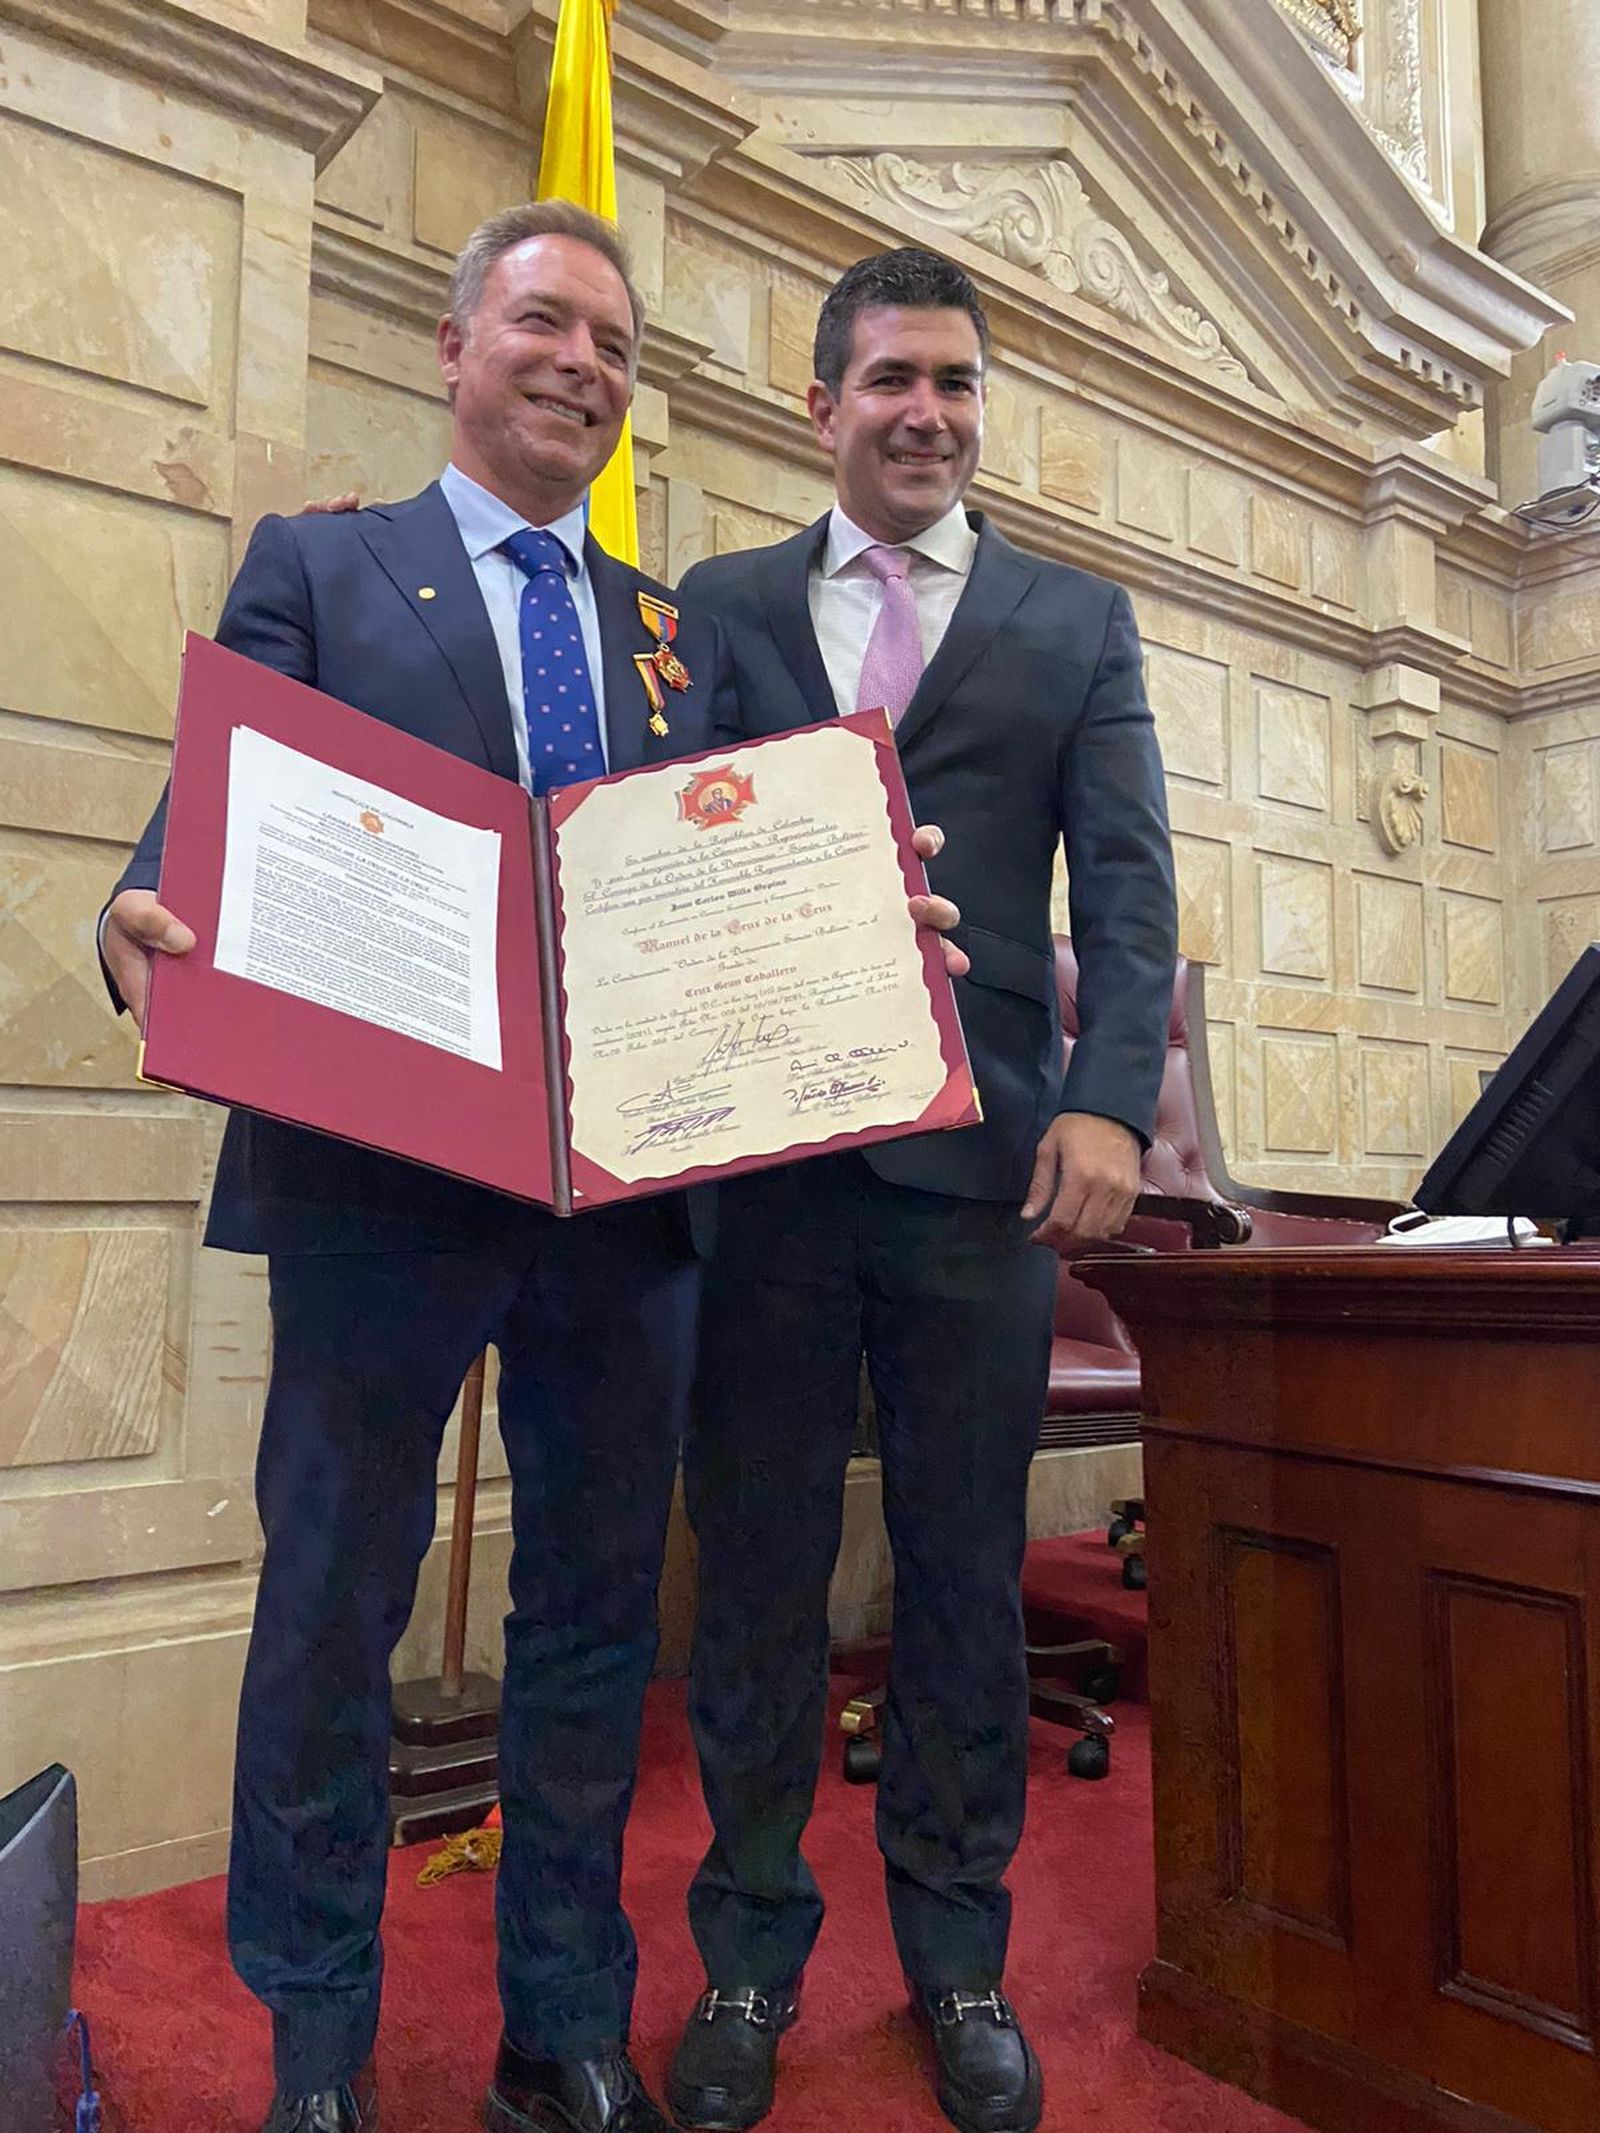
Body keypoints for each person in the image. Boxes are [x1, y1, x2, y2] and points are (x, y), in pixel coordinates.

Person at [99, 201, 955, 2133]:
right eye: (547, 323)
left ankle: (559, 2025)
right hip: (373, 1189)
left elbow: (745, 866)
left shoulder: (677, 636)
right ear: (454, 344)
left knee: (590, 1620)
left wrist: (865, 919)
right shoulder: (322, 567)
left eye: (616, 346)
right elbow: (209, 821)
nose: (583, 364)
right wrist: (129, 918)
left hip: (626, 1209)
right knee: (334, 1608)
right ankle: (316, 2048)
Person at [665, 248, 1178, 2133]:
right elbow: (652, 862)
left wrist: (1111, 1105)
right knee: (758, 1574)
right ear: (823, 404)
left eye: (956, 383)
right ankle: (748, 1952)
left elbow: (1129, 889)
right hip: (765, 1176)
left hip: (982, 1177)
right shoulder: (717, 608)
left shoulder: (1075, 619)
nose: (928, 414)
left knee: (962, 1573)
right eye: (893, 379)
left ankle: (959, 1958)